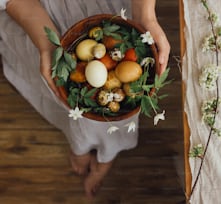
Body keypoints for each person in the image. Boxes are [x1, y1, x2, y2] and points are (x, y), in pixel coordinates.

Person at [0, 0, 170, 199]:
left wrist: (145, 16)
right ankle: (81, 145)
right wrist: (47, 45)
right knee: (68, 96)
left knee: (116, 107)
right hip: (40, 21)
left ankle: (107, 152)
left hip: (111, 16)